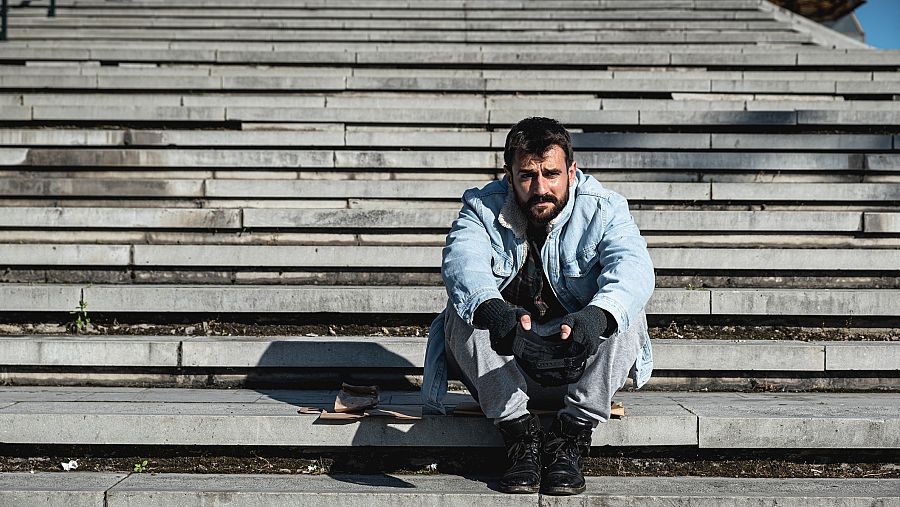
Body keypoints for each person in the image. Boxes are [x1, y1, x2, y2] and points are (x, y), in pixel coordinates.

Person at [421, 117, 656, 496]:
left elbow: (633, 269)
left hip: (579, 366)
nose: (540, 187)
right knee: (461, 308)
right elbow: (462, 262)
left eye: (551, 174)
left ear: (572, 171)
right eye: (528, 176)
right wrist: (495, 313)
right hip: (503, 373)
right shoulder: (481, 208)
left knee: (626, 311)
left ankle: (570, 437)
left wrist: (596, 317)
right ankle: (519, 436)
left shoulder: (605, 208)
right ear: (509, 175)